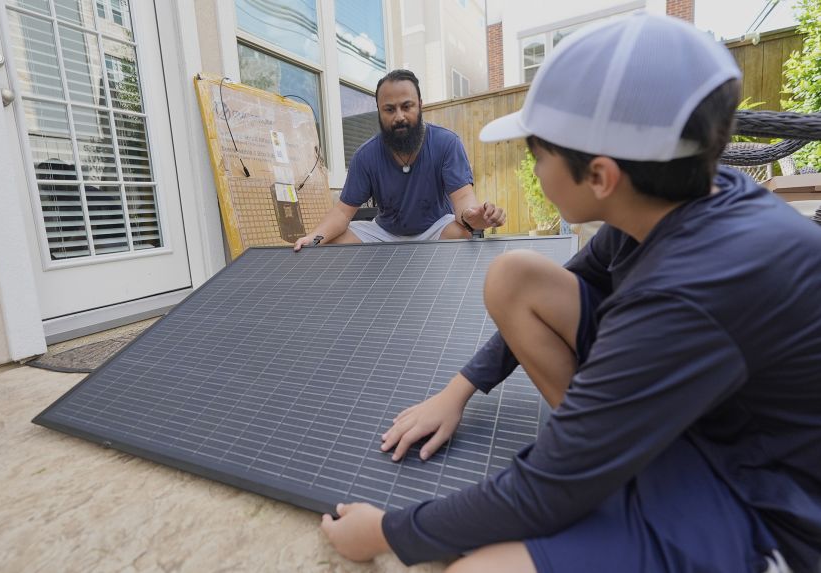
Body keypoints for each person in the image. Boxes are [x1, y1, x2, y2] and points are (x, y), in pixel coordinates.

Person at [319, 14, 821, 573]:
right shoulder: (676, 200)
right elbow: (573, 285)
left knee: (476, 570)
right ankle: (606, 455)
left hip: (758, 503)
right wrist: (457, 392)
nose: (532, 167)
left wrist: (387, 532)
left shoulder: (692, 290)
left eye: (537, 154)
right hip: (700, 422)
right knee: (514, 276)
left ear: (601, 177)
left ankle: (609, 468)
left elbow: (542, 492)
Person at [293, 69, 505, 251]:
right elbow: (341, 212)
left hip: (435, 230)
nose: (399, 116)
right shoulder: (365, 155)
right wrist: (314, 237)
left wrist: (473, 217)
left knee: (462, 233)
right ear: (379, 110)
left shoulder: (446, 143)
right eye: (389, 109)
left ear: (420, 105)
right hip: (385, 233)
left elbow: (463, 199)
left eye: (406, 106)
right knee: (333, 240)